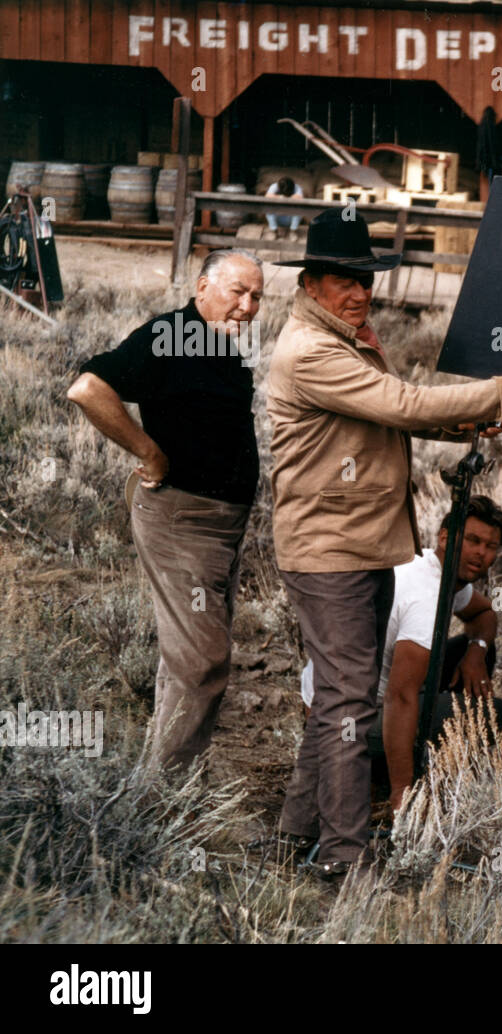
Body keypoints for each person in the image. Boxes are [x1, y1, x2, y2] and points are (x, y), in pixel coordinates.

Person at [266, 207, 502, 878]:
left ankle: (297, 834)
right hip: (332, 553)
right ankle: (345, 858)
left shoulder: (339, 337)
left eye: (365, 279)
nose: (359, 292)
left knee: (337, 700)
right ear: (310, 282)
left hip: (360, 547)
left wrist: (470, 423)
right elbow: (401, 404)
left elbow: (384, 419)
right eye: (344, 280)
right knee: (348, 702)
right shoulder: (313, 349)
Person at [67, 249, 265, 771]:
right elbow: (88, 389)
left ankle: (163, 779)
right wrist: (147, 451)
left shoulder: (219, 344)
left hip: (218, 524)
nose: (247, 306)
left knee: (187, 657)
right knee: (202, 662)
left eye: (257, 297)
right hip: (183, 521)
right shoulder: (169, 336)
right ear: (202, 288)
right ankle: (169, 801)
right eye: (236, 292)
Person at [298, 495, 502, 814]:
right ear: (446, 537)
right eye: (472, 540)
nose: (481, 553)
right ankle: (387, 774)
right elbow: (400, 697)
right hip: (345, 722)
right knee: (494, 713)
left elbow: (485, 612)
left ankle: (411, 758)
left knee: (481, 649)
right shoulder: (425, 598)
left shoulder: (433, 568)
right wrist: (403, 790)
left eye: (491, 546)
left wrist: (476, 651)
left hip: (340, 698)